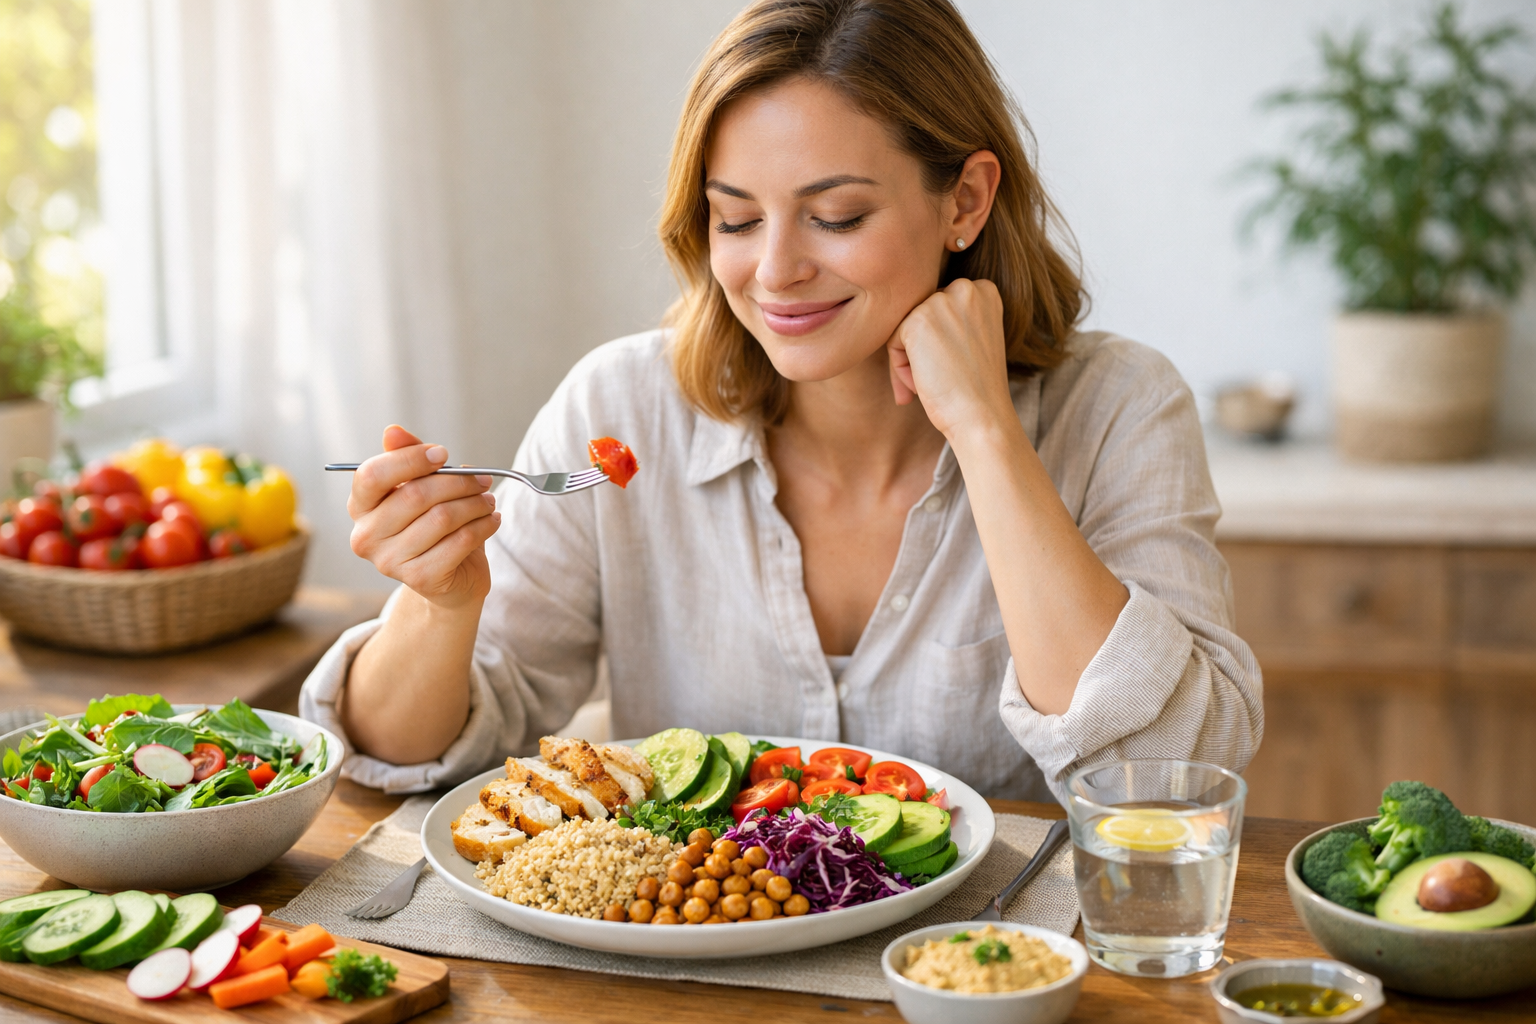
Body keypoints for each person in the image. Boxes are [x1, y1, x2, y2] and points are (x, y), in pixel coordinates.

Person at [301, 0, 1261, 803]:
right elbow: (406, 750)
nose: (777, 271)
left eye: (837, 217)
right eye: (736, 218)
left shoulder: (1121, 407)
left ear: (965, 201)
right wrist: (440, 607)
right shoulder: (621, 407)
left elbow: (1172, 774)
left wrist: (985, 432)